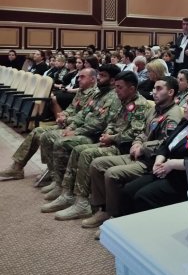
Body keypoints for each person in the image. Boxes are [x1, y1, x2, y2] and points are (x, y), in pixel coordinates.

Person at [48, 71, 151, 220]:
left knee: (86, 153)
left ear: (132, 88)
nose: (116, 90)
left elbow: (135, 133)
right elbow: (112, 122)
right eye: (116, 87)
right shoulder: (123, 101)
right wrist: (108, 134)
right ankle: (68, 193)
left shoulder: (140, 105)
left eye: (120, 87)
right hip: (111, 141)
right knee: (78, 150)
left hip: (123, 147)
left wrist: (112, 138)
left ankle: (83, 203)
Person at [83, 76, 184, 230]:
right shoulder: (155, 109)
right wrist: (137, 142)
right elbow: (143, 131)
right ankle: (102, 209)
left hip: (152, 162)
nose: (154, 92)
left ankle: (115, 216)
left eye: (159, 89)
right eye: (154, 88)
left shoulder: (174, 115)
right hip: (138, 154)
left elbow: (167, 143)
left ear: (170, 92)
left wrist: (143, 147)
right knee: (97, 164)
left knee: (112, 174)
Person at [121, 88, 188, 213]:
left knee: (142, 196)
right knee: (128, 190)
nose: (184, 106)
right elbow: (165, 144)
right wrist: (159, 161)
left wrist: (171, 164)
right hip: (165, 170)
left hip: (184, 179)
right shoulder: (186, 121)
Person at [38, 65, 121, 209]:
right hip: (83, 130)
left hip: (93, 135)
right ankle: (58, 182)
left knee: (61, 142)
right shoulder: (98, 94)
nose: (99, 78)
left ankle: (67, 191)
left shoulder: (113, 96)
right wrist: (71, 126)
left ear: (113, 80)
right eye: (99, 75)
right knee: (46, 136)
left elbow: (100, 124)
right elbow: (83, 113)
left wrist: (77, 132)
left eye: (103, 76)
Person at [0, 69, 97, 180]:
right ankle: (17, 167)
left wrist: (66, 119)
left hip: (77, 128)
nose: (78, 79)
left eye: (82, 77)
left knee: (47, 136)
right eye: (78, 77)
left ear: (92, 79)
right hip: (68, 124)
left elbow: (84, 116)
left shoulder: (95, 95)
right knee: (37, 131)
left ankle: (54, 172)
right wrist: (63, 114)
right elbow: (71, 108)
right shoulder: (81, 91)